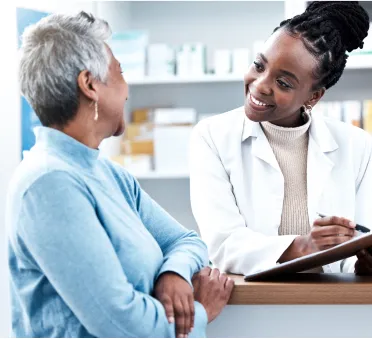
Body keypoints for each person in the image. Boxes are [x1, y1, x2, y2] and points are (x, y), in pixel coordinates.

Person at [7, 11, 233, 338]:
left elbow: (187, 241)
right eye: (120, 72)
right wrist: (200, 313)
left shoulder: (109, 175)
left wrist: (174, 274)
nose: (127, 88)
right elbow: (120, 323)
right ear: (89, 85)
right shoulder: (49, 183)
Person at [189, 1, 372, 276]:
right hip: (251, 305)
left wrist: (367, 264)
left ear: (313, 96)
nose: (260, 85)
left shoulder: (354, 144)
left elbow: (369, 235)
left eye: (283, 83)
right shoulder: (212, 136)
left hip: (332, 305)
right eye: (259, 65)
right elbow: (223, 245)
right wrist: (303, 246)